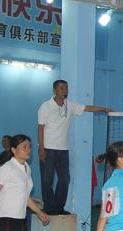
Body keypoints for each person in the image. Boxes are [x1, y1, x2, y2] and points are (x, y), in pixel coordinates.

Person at [38, 79, 112, 215]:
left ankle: (59, 207)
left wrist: (103, 109)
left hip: (63, 149)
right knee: (47, 180)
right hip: (48, 148)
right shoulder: (45, 106)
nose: (64, 90)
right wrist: (41, 149)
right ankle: (49, 207)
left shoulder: (70, 105)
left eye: (66, 88)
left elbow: (87, 108)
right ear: (54, 90)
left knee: (65, 179)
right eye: (61, 88)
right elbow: (40, 128)